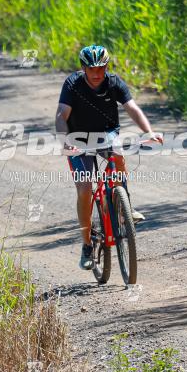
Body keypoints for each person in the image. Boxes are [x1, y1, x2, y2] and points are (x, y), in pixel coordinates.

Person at [55, 45, 163, 270]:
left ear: (107, 66)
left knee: (118, 154)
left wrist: (148, 132)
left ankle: (124, 205)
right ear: (83, 67)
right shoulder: (72, 84)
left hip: (106, 134)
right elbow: (61, 115)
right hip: (77, 140)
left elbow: (132, 108)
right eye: (91, 69)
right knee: (85, 188)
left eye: (101, 68)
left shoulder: (114, 82)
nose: (96, 73)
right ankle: (86, 246)